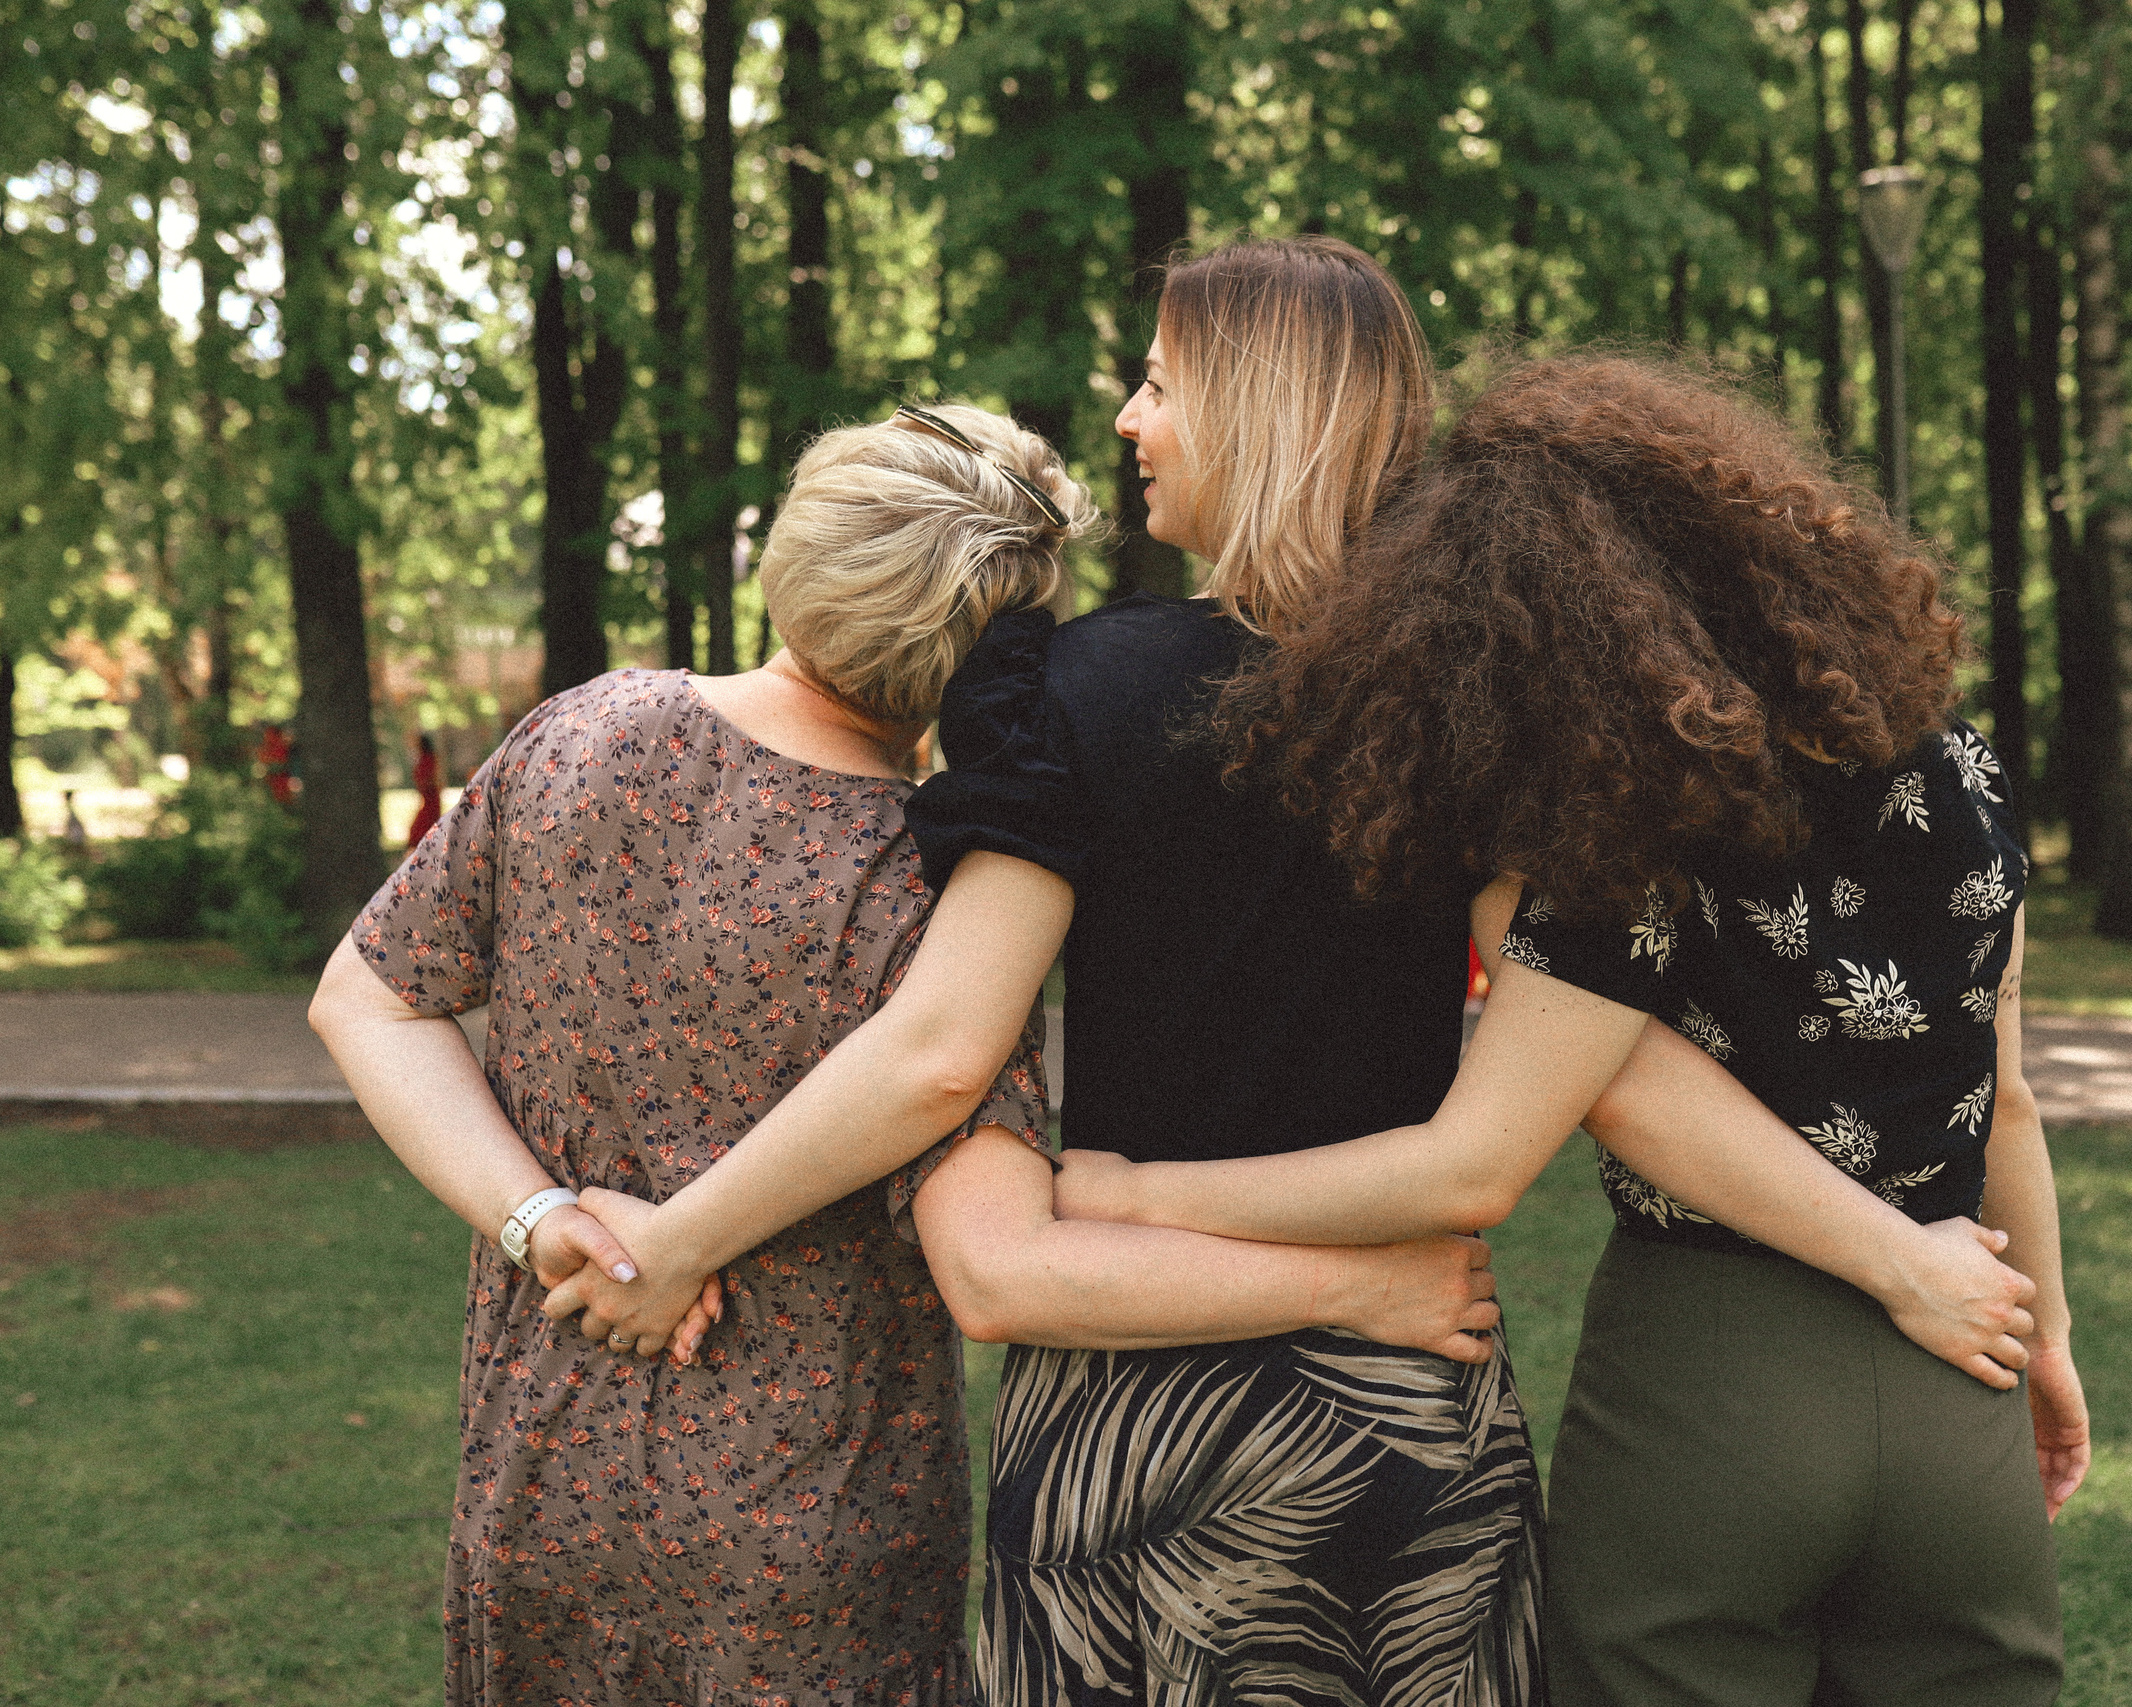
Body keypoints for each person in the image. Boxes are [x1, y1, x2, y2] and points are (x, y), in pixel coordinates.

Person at [540, 247, 2039, 1707]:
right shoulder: (1490, 710)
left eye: (1158, 385)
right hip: (1402, 1405)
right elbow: (1584, 1075)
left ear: (1256, 412)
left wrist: (686, 1235)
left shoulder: (1066, 688)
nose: (1128, 419)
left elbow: (942, 1050)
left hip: (1132, 1424)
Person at [1050, 353, 2089, 1705]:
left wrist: (1133, 1192)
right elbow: (2008, 1100)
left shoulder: (1614, 820)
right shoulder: (1957, 766)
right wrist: (2044, 1343)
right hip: (1968, 1357)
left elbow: (1567, 1111)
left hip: (1713, 1375)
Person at [309, 405, 1095, 1707]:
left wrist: (540, 1218)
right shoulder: (938, 893)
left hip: (541, 1471)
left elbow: (366, 998)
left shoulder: (578, 737)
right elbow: (977, 1190)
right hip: (816, 1525)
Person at [406, 731, 443, 849]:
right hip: (427, 796)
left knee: (427, 820)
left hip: (431, 795)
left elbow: (433, 777)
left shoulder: (429, 759)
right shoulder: (422, 758)